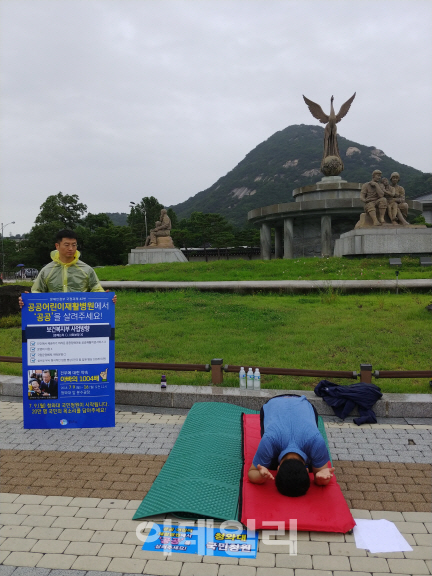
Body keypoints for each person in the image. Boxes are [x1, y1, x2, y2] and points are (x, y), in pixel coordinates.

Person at [248, 395, 334, 497]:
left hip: (300, 404)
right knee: (270, 464)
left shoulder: (316, 440)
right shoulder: (269, 440)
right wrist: (319, 479)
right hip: (275, 404)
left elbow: (252, 473)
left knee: (269, 464)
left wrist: (321, 479)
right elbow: (252, 473)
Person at [19, 229, 117, 307]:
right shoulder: (47, 270)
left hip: (80, 316)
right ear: (57, 246)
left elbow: (96, 289)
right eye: (67, 245)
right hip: (55, 317)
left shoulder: (86, 269)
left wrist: (106, 297)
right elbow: (37, 291)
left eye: (74, 245)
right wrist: (28, 300)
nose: (71, 248)